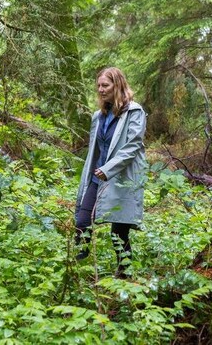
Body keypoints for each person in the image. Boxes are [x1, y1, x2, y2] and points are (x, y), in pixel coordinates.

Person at [74, 67, 147, 276]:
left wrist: (109, 169)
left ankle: (125, 274)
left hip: (120, 178)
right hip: (98, 177)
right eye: (98, 86)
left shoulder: (134, 112)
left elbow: (132, 146)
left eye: (105, 85)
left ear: (118, 85)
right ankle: (79, 269)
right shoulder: (99, 116)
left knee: (119, 232)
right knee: (82, 221)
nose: (100, 89)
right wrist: (99, 171)